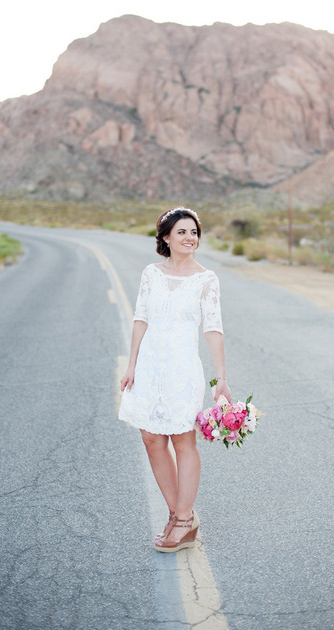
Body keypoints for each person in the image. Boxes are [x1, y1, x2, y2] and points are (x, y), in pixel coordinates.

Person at [119, 206, 231, 552]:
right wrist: (132, 364)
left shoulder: (205, 279)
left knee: (183, 441)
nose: (190, 238)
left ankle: (183, 521)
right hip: (150, 367)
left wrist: (221, 379)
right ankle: (178, 512)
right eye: (182, 232)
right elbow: (140, 318)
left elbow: (213, 328)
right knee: (151, 438)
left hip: (182, 369)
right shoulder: (151, 274)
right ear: (166, 238)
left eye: (194, 232)